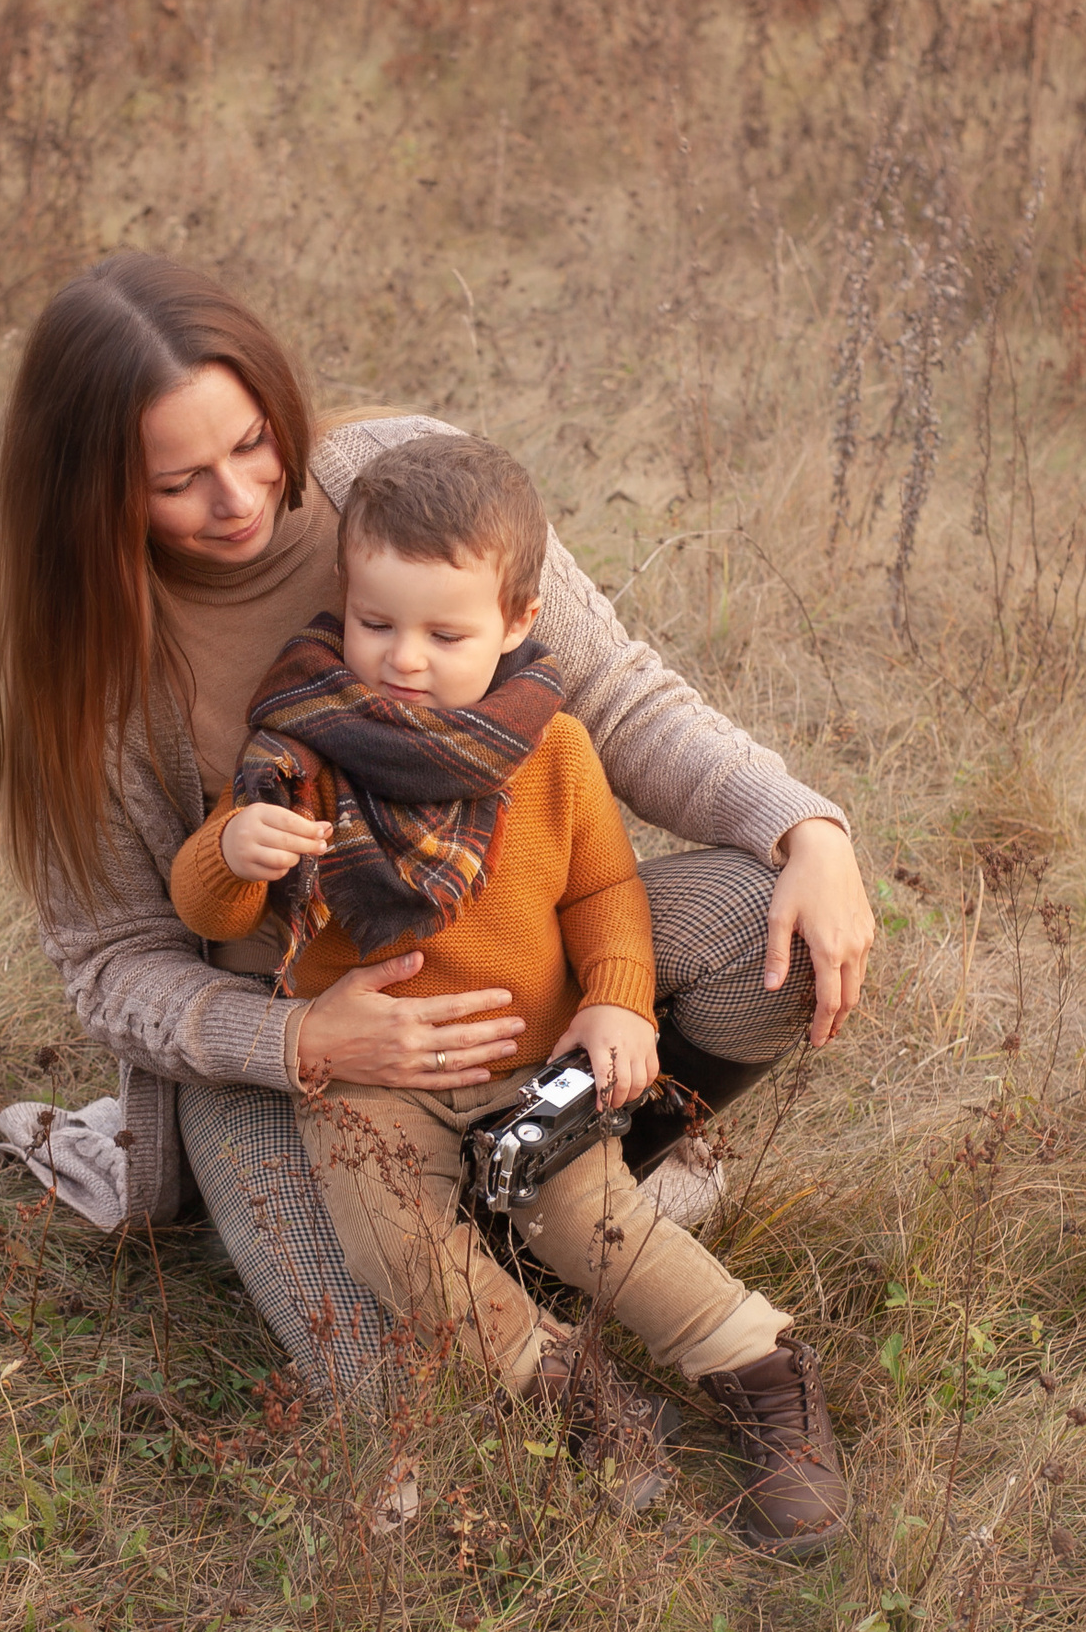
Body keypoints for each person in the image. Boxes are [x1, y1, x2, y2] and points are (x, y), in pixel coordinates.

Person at [0, 248, 874, 1507]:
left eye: (250, 445)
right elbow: (112, 966)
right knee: (388, 1370)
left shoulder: (392, 484)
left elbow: (616, 695)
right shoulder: (91, 665)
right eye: (176, 481)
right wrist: (302, 1040)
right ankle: (555, 1361)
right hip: (280, 1053)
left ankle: (578, 1206)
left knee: (758, 928)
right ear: (87, 490)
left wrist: (805, 831)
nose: (238, 498)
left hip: (524, 986)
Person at [167, 434, 844, 1546]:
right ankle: (565, 1388)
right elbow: (213, 915)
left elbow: (603, 892)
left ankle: (757, 1369)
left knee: (595, 1216)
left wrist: (619, 997)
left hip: (524, 1066)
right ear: (344, 601)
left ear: (518, 622)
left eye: (445, 633)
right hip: (363, 1082)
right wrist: (231, 852)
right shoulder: (297, 746)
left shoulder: (554, 749)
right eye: (375, 623)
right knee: (399, 1251)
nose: (404, 660)